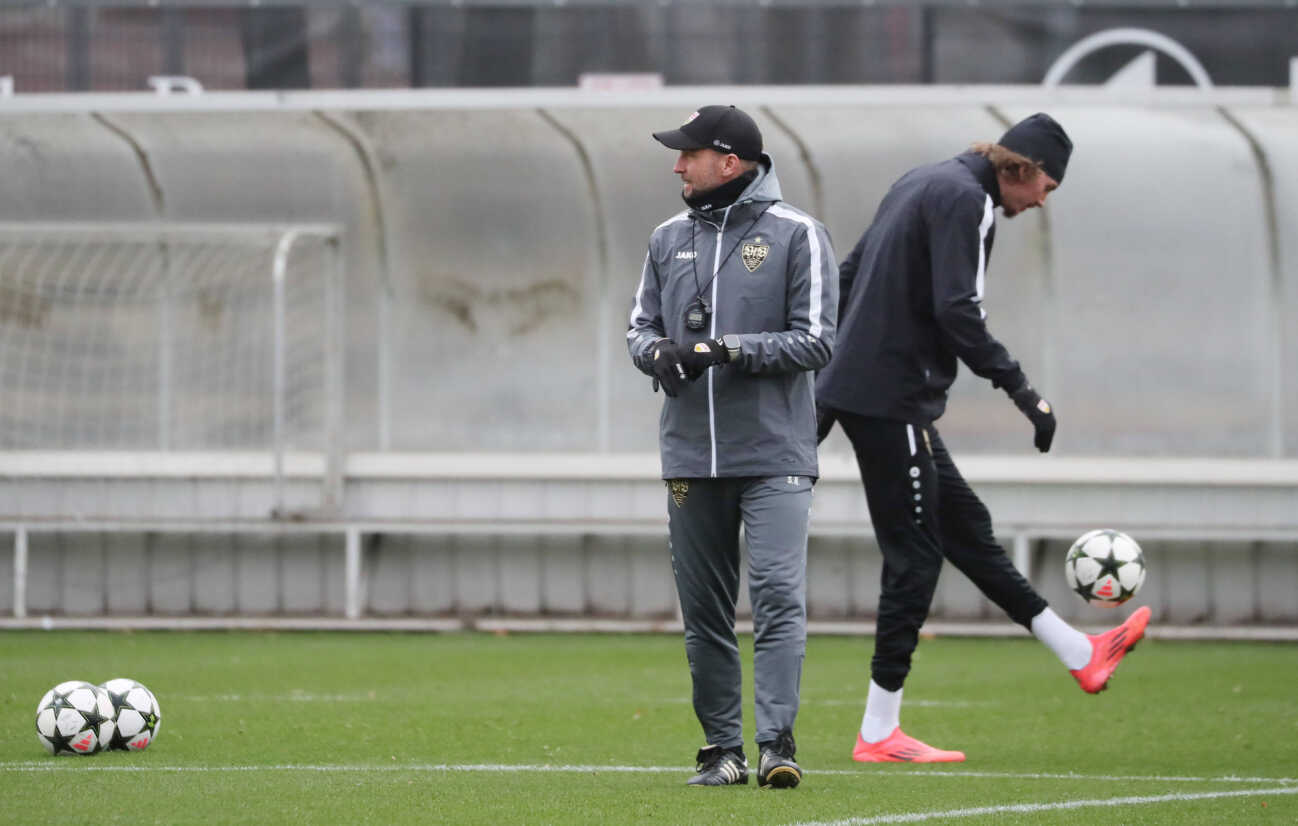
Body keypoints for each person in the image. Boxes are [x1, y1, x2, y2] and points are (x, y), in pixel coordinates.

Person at [816, 113, 1150, 763]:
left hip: (871, 391)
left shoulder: (923, 180)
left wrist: (826, 383)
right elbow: (958, 312)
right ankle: (879, 730)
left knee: (965, 525)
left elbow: (847, 274)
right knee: (914, 557)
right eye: (1045, 189)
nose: (1041, 203)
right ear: (1018, 169)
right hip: (889, 397)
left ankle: (1082, 653)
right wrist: (1024, 392)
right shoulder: (970, 201)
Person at [627, 105, 838, 787]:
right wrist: (657, 351)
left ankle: (778, 745)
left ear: (728, 161)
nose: (676, 165)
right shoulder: (665, 238)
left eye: (687, 154)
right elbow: (637, 329)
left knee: (777, 596)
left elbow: (817, 340)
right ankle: (722, 752)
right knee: (703, 612)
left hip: (774, 456)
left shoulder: (799, 234)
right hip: (690, 457)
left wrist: (725, 349)